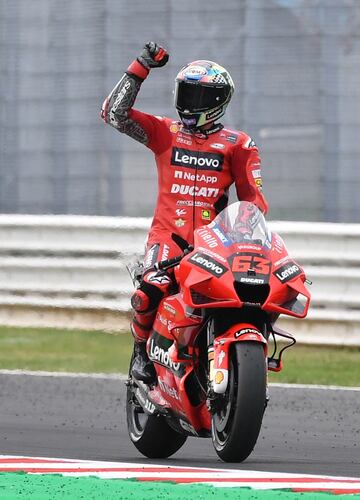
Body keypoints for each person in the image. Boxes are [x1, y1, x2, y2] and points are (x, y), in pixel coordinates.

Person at [101, 42, 268, 383]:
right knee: (150, 289)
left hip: (216, 244)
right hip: (168, 241)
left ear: (219, 102)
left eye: (201, 96)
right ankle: (140, 354)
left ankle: (239, 360)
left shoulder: (239, 144)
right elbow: (113, 114)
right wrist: (140, 66)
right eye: (187, 93)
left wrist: (251, 237)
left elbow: (253, 201)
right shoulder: (165, 132)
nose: (191, 103)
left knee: (250, 294)